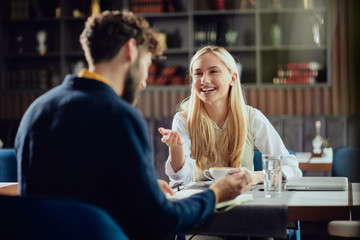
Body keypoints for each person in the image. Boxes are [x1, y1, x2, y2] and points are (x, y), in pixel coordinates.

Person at [15, 11, 253, 240]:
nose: (144, 82)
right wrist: (215, 195)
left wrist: (141, 190)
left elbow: (70, 197)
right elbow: (159, 222)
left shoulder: (36, 111)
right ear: (130, 50)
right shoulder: (120, 117)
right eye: (147, 64)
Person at [159, 45, 303, 187]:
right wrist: (176, 149)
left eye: (213, 71)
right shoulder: (184, 119)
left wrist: (257, 176)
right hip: (203, 203)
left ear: (233, 78)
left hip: (245, 202)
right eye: (198, 73)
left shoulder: (251, 117)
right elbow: (181, 181)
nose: (204, 79)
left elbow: (291, 168)